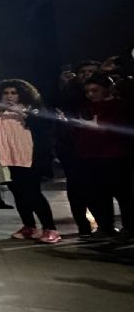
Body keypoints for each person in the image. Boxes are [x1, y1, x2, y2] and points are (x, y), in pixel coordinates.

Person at [0, 80, 59, 243]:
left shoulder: (32, 110)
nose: (9, 96)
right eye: (6, 93)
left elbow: (44, 126)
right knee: (18, 194)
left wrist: (22, 113)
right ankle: (29, 226)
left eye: (13, 93)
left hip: (29, 159)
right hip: (6, 159)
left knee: (33, 193)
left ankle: (50, 228)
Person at [73, 74, 133, 239]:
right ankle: (105, 226)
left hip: (115, 157)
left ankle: (129, 227)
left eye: (95, 90)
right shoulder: (86, 107)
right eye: (88, 91)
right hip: (91, 156)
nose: (91, 94)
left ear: (107, 89)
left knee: (123, 194)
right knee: (98, 194)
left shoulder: (119, 106)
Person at [53, 60, 101, 236]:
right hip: (71, 146)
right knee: (77, 187)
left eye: (91, 72)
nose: (87, 75)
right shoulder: (68, 93)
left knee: (99, 188)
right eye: (83, 72)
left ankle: (104, 224)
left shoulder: (102, 94)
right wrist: (63, 86)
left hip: (99, 147)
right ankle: (83, 226)